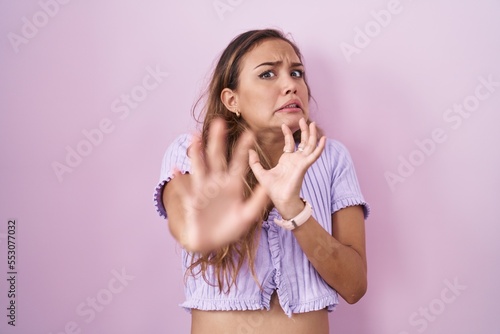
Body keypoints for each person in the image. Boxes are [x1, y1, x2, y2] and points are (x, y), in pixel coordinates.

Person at [153, 28, 370, 334]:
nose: (290, 85)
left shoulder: (332, 158)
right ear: (232, 99)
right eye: (268, 74)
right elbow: (182, 216)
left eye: (297, 73)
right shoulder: (192, 152)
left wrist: (294, 209)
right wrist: (197, 223)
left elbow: (353, 286)